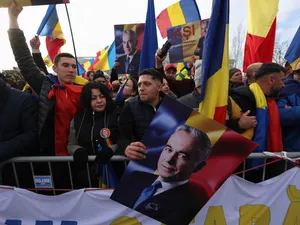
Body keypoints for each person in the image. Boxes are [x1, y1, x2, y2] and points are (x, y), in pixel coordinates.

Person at [7, 0, 84, 156]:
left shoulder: (87, 90)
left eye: (74, 66)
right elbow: (23, 59)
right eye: (65, 65)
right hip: (49, 154)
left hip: (80, 155)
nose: (71, 69)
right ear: (54, 68)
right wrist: (13, 18)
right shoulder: (45, 87)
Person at [111, 125, 212, 225]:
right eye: (169, 149)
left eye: (182, 156)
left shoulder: (190, 206)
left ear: (198, 166)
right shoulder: (135, 177)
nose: (169, 159)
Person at [230, 62, 285, 182]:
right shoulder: (239, 96)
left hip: (263, 167)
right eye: (281, 80)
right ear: (271, 80)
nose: (283, 85)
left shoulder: (270, 101)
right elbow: (218, 127)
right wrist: (238, 125)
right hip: (239, 170)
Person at [68, 82, 121, 187]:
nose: (99, 101)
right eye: (93, 98)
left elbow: (126, 139)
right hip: (88, 176)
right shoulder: (78, 119)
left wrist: (112, 149)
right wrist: (77, 150)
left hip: (117, 173)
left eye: (102, 96)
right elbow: (71, 144)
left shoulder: (117, 114)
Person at [118, 68, 164, 159]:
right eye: (139, 85)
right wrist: (126, 148)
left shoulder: (171, 106)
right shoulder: (130, 106)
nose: (141, 89)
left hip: (169, 161)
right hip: (143, 161)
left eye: (147, 84)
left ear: (159, 87)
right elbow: (122, 136)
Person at [277, 62, 300, 152]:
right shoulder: (285, 89)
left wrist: (293, 111)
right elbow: (280, 115)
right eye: (298, 71)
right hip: (294, 149)